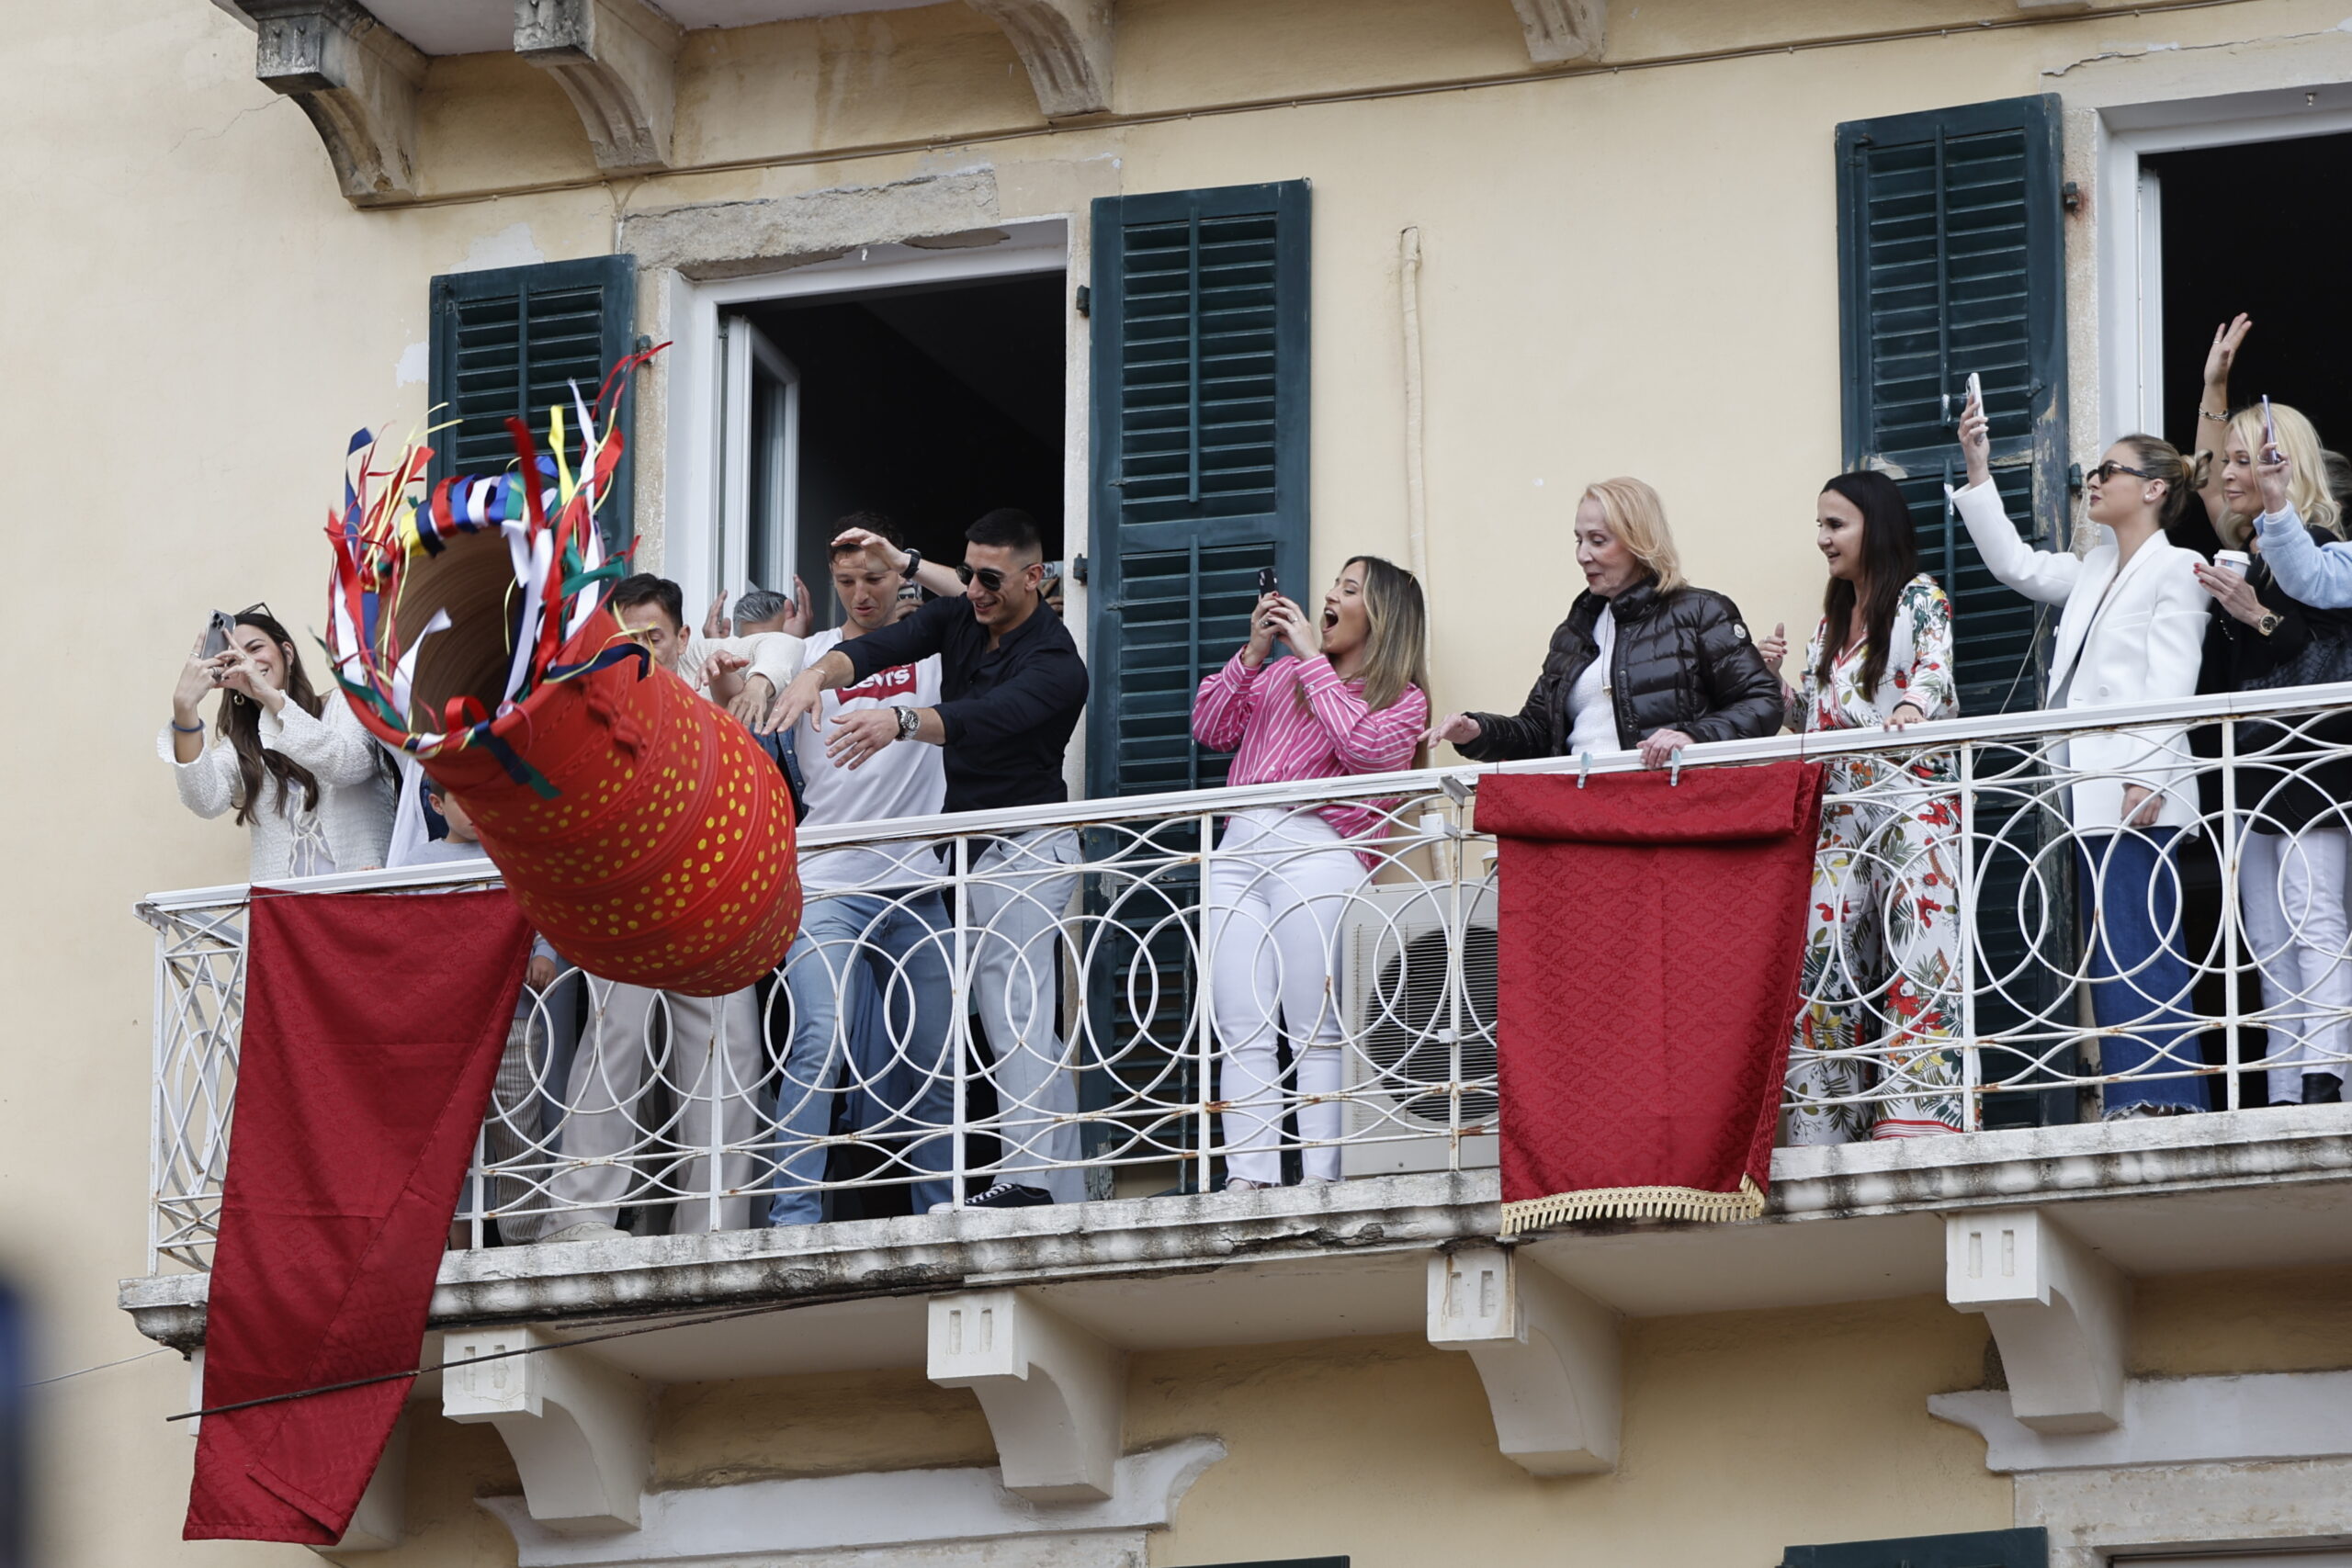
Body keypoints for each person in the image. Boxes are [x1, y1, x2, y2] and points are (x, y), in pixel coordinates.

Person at [769, 509, 1090, 1211]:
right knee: (1007, 1021)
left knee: (1014, 1019)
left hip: (1025, 847)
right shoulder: (959, 622)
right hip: (963, 861)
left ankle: (1033, 1185)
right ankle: (1048, 1189)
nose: (973, 590)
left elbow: (987, 716)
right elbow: (882, 647)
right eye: (966, 574)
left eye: (991, 578)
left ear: (1037, 578)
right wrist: (813, 676)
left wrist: (902, 721)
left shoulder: (1058, 663)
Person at [1953, 392, 2215, 1118]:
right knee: (2112, 945)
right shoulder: (2094, 568)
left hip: (2140, 785)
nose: (2093, 480)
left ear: (2154, 489)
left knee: (2142, 939)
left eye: (2110, 469)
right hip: (2089, 786)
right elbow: (2017, 567)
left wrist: (2146, 776)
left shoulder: (2179, 566)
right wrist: (1979, 467)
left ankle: (2164, 1098)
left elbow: (2171, 681)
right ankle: (2142, 1092)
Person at [543, 575, 771, 1241]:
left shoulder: (714, 704)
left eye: (654, 636)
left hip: (712, 906)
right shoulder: (593, 712)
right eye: (629, 637)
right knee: (613, 1042)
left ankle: (715, 1225)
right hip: (629, 905)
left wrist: (738, 684)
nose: (642, 648)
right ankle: (577, 1214)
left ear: (681, 639)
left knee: (727, 1057)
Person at [1192, 558, 1429, 1190]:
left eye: (1349, 590)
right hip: (1240, 839)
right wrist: (1253, 651)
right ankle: (1249, 1178)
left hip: (1318, 845)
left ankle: (1322, 1176)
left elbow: (1368, 753)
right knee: (1239, 1017)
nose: (1329, 595)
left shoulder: (1401, 699)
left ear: (1381, 617)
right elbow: (1209, 727)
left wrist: (1311, 663)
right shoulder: (1277, 677)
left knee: (1315, 1024)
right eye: (1334, 584)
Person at [1758, 473, 1963, 1143]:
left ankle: (1918, 1116)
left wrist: (1911, 706)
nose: (1822, 539)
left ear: (1875, 525)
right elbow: (1815, 720)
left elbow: (1935, 669)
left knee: (1917, 948)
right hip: (1842, 813)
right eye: (1819, 525)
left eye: (1835, 524)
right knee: (1824, 954)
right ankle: (1825, 1123)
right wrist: (1772, 686)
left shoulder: (1918, 598)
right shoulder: (1828, 626)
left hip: (1909, 802)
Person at [769, 520, 957, 1224]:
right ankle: (793, 1215)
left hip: (914, 877)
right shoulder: (808, 652)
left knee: (935, 1054)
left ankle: (941, 1210)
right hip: (824, 879)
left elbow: (980, 596)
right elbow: (747, 667)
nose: (861, 593)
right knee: (819, 1036)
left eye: (873, 579)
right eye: (846, 582)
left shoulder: (934, 643)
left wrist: (906, 557)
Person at [2193, 400, 2352, 1108]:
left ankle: (2329, 1075)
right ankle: (2285, 1085)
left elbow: (2320, 651)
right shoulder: (2241, 553)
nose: (2228, 473)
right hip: (2250, 767)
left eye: (2243, 459)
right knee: (2265, 933)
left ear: (2280, 464)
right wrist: (2213, 386)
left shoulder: (2328, 550)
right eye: (2226, 459)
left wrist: (2253, 613)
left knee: (2311, 915)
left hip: (2313, 757)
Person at [1426, 478, 1781, 765]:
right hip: (1587, 815)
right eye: (1579, 540)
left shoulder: (1701, 611)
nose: (1582, 556)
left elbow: (1762, 703)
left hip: (1672, 812)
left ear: (1639, 541)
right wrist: (1476, 732)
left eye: (1598, 540)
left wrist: (1692, 736)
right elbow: (1539, 733)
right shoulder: (1573, 632)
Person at [390, 778, 568, 1242]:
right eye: (463, 799)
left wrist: (545, 953)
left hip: (513, 1020)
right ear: (435, 803)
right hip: (445, 1028)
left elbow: (542, 909)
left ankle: (523, 1244)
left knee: (517, 1130)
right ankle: (443, 1246)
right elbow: (399, 933)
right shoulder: (417, 864)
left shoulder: (513, 856)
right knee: (442, 1140)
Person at [164, 605, 394, 879]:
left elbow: (348, 764)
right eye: (232, 657)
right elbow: (204, 800)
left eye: (254, 648)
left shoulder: (345, 704)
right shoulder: (243, 743)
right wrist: (184, 710)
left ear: (287, 652)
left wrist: (267, 695)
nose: (245, 661)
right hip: (282, 914)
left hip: (363, 903)